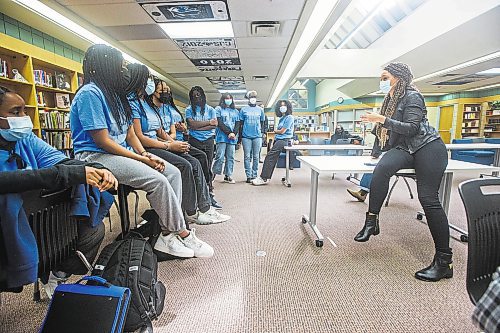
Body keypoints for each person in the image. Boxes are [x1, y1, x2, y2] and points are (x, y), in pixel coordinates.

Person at [70, 44, 214, 259]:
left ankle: (166, 235)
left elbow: (130, 135)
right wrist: (141, 158)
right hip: (96, 156)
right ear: (105, 66)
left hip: (123, 152)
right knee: (158, 181)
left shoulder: (116, 96)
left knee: (172, 172)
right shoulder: (90, 94)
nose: (123, 72)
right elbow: (103, 141)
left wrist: (144, 154)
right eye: (120, 67)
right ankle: (181, 231)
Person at [0, 85, 117, 298]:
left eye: (24, 110)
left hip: (46, 227)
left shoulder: (26, 140)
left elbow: (64, 162)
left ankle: (56, 273)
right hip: (7, 233)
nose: (24, 117)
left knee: (94, 229)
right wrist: (62, 175)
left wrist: (99, 169)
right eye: (15, 112)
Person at [355, 62, 451, 282]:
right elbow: (381, 133)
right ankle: (372, 222)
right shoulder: (389, 100)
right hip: (406, 147)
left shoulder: (412, 96)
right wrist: (373, 154)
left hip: (427, 146)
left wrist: (383, 120)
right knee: (382, 169)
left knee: (428, 199)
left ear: (398, 77)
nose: (382, 80)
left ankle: (445, 262)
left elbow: (412, 127)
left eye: (385, 76)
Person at [126, 63, 229, 225]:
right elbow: (138, 136)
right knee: (185, 166)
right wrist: (169, 146)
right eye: (149, 80)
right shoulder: (133, 103)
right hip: (148, 147)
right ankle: (190, 212)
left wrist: (173, 142)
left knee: (196, 160)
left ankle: (204, 206)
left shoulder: (147, 105)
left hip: (160, 142)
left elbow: (160, 131)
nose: (150, 83)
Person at [185, 86, 222, 209]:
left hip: (208, 141)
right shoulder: (189, 110)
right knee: (196, 167)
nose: (197, 97)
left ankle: (210, 193)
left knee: (208, 167)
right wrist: (208, 123)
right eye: (194, 95)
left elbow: (214, 125)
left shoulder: (210, 109)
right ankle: (198, 196)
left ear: (203, 95)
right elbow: (191, 125)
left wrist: (198, 126)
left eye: (198, 94)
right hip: (194, 141)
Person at [252, 100, 295, 186]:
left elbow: (282, 131)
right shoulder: (282, 118)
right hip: (279, 140)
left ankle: (264, 178)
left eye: (284, 106)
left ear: (288, 107)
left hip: (284, 140)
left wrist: (274, 131)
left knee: (269, 157)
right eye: (281, 106)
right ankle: (265, 177)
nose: (282, 108)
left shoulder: (290, 117)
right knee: (271, 157)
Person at [212, 93, 240, 184]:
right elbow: (219, 123)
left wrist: (233, 133)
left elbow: (237, 124)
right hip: (222, 136)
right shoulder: (218, 109)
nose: (228, 100)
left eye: (230, 98)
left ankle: (228, 175)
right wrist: (229, 132)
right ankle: (213, 174)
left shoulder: (235, 111)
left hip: (232, 138)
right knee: (219, 156)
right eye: (226, 98)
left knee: (230, 157)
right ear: (223, 99)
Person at [240, 90, 265, 183]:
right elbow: (241, 123)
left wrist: (263, 133)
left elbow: (263, 122)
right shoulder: (243, 109)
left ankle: (254, 174)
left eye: (254, 97)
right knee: (247, 156)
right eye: (251, 97)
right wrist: (239, 137)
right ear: (248, 99)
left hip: (257, 136)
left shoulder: (260, 110)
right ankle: (248, 175)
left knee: (256, 157)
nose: (253, 99)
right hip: (246, 136)